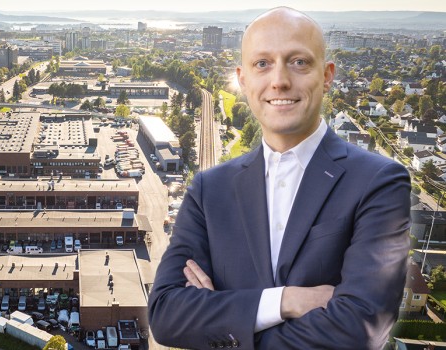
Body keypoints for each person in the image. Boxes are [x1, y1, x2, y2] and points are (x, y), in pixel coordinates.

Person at [148, 7, 410, 350]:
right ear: (243, 80)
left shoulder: (378, 182)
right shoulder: (209, 189)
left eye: (299, 62)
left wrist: (222, 322)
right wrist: (286, 301)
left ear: (327, 75)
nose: (280, 80)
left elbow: (359, 329)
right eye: (262, 64)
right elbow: (167, 316)